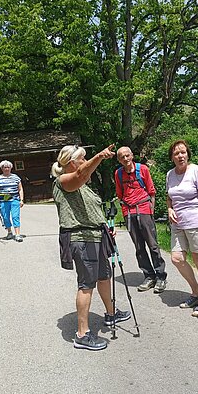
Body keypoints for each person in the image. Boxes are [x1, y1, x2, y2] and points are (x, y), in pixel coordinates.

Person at [51, 144, 131, 351]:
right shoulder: (63, 182)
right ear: (71, 162)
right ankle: (82, 334)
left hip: (96, 236)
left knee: (104, 276)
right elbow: (79, 174)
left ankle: (111, 313)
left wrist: (103, 226)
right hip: (81, 237)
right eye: (83, 158)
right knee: (86, 284)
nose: (86, 161)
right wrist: (99, 157)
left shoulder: (84, 186)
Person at [166, 140, 198, 317]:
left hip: (195, 222)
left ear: (188, 154)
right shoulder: (170, 174)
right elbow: (169, 197)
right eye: (176, 153)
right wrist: (169, 208)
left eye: (183, 152)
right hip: (177, 224)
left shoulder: (196, 171)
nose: (180, 156)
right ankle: (196, 291)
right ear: (172, 157)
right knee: (177, 258)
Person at [115, 146, 167, 293]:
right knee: (139, 247)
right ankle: (149, 276)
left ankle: (161, 276)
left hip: (144, 209)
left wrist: (151, 211)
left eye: (127, 155)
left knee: (153, 245)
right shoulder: (118, 174)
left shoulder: (143, 169)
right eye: (122, 157)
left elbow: (151, 191)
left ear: (132, 155)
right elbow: (120, 194)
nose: (125, 159)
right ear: (119, 160)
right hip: (128, 212)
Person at [0, 160, 24, 242]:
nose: (6, 169)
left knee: (15, 216)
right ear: (1, 168)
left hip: (14, 199)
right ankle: (9, 232)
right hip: (3, 200)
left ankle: (17, 234)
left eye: (8, 167)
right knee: (5, 217)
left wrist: (21, 199)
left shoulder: (16, 177)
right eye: (4, 167)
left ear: (11, 168)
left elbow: (20, 189)